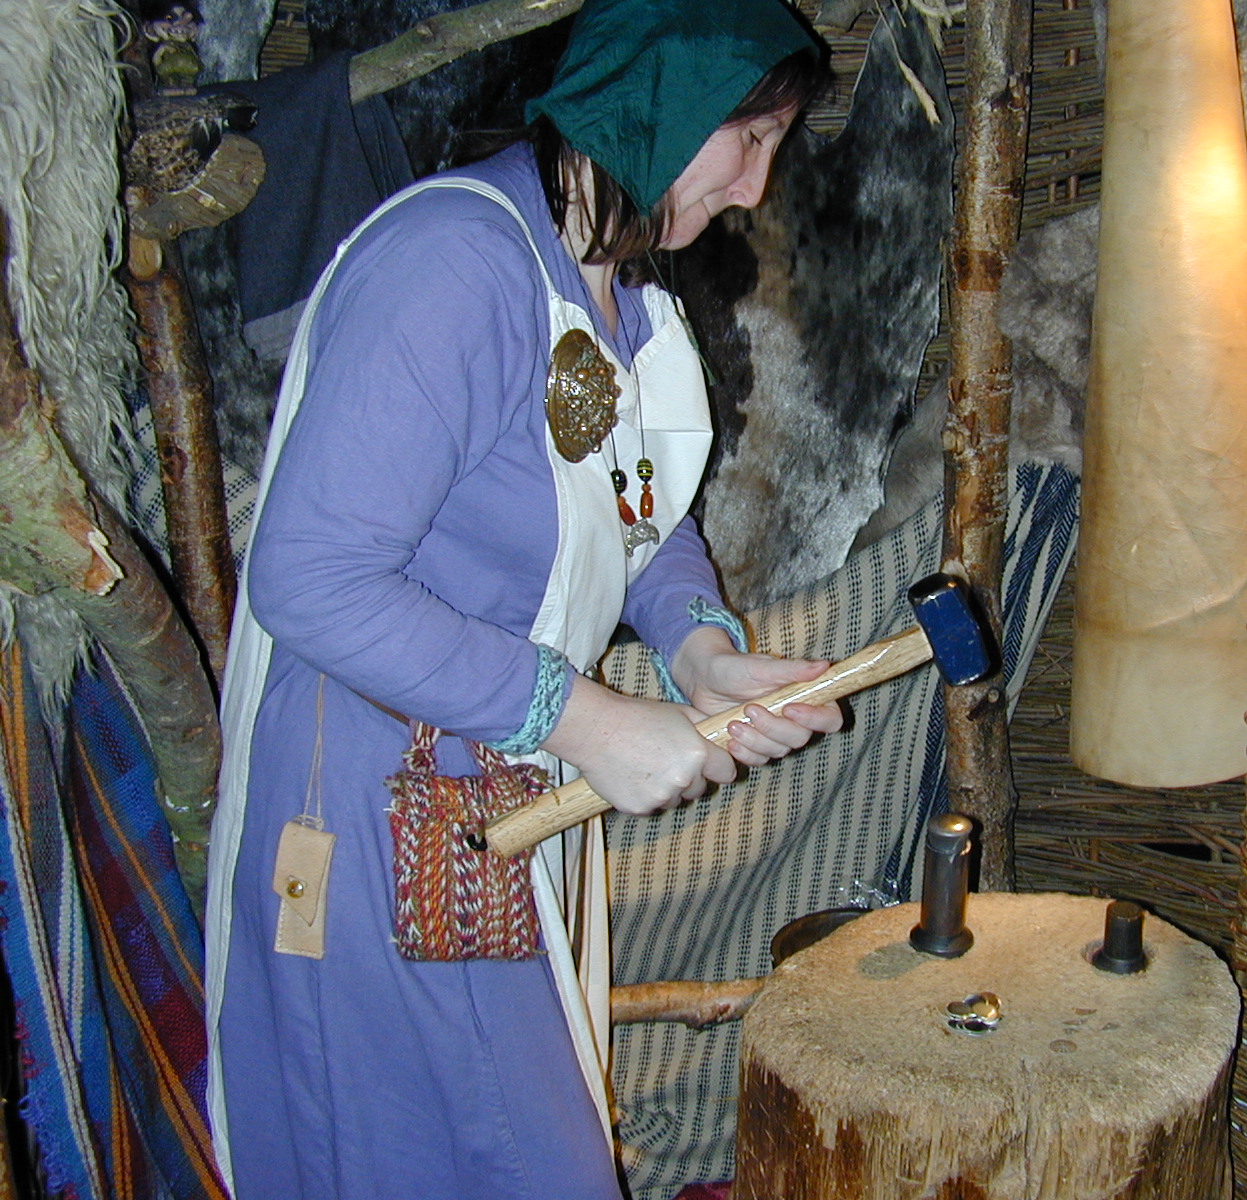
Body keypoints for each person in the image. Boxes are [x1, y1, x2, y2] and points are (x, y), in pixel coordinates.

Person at [202, 2, 837, 1196]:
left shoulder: (623, 297)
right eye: (746, 140)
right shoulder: (454, 263)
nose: (757, 187)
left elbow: (637, 520)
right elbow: (311, 575)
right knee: (467, 1158)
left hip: (487, 782)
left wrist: (700, 650)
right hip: (377, 815)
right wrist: (585, 718)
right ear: (654, 106)